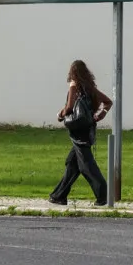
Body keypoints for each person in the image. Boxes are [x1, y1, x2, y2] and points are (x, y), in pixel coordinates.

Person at [50, 59, 112, 206]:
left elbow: (70, 107)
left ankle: (104, 196)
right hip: (88, 128)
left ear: (72, 73)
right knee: (73, 164)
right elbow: (108, 102)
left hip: (78, 131)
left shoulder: (74, 86)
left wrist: (60, 114)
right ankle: (58, 195)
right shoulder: (90, 88)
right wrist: (100, 114)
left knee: (87, 165)